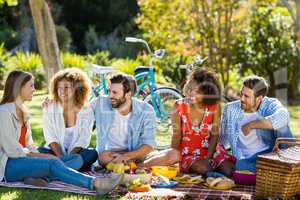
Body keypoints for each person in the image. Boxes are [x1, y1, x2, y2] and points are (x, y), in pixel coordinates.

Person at [0, 70, 121, 195]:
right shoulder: (4, 112)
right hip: (7, 166)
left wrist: (42, 157)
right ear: (19, 88)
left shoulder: (23, 112)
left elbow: (29, 145)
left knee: (75, 159)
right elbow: (12, 150)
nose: (34, 89)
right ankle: (97, 183)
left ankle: (43, 177)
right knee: (53, 162)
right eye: (31, 85)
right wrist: (46, 157)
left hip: (22, 160)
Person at [143, 69, 235, 176]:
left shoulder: (214, 107)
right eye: (189, 88)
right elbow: (177, 136)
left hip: (212, 150)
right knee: (205, 169)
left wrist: (209, 157)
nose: (191, 93)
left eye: (197, 92)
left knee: (229, 170)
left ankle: (214, 168)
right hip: (188, 153)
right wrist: (174, 156)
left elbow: (214, 135)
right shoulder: (179, 107)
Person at [220, 75, 294, 172]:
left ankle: (289, 163)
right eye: (241, 94)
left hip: (272, 155)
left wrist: (251, 124)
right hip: (249, 161)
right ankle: (278, 171)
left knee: (282, 127)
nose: (241, 99)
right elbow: (222, 139)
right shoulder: (230, 109)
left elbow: (283, 117)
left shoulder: (270, 105)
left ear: (259, 99)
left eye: (246, 96)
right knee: (240, 165)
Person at [39, 68, 97, 171]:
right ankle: (72, 169)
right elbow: (50, 136)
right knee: (40, 151)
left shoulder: (87, 110)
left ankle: (57, 169)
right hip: (55, 152)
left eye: (66, 87)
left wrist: (70, 157)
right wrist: (62, 157)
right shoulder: (50, 107)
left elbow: (83, 139)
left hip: (75, 153)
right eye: (59, 87)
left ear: (77, 89)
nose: (62, 91)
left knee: (92, 154)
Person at [91, 73, 156, 165]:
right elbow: (81, 112)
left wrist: (126, 156)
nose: (109, 96)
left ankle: (128, 165)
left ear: (128, 94)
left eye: (114, 92)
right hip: (109, 155)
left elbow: (149, 144)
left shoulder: (146, 110)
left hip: (134, 154)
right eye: (109, 91)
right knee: (103, 157)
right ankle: (131, 166)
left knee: (171, 156)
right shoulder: (100, 102)